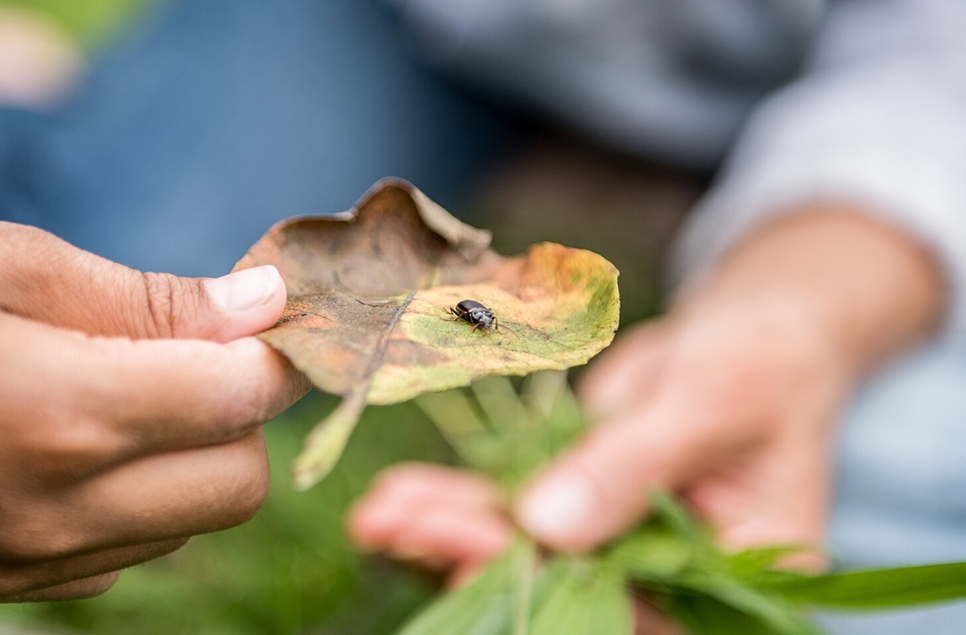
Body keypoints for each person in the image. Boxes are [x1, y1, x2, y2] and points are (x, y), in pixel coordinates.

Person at [349, 1, 966, 633]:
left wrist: (789, 311)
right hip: (402, 27)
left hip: (811, 72)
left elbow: (939, 67)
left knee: (887, 464)